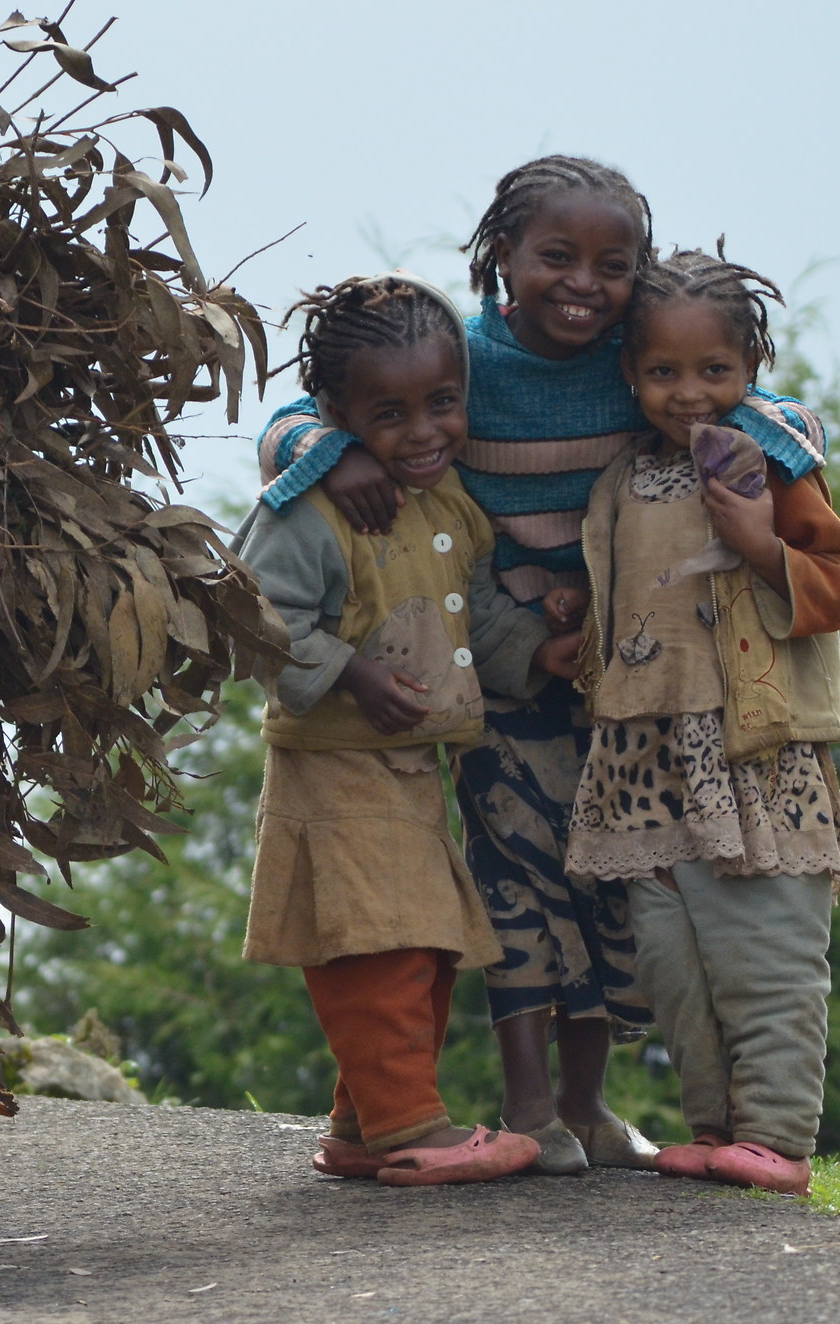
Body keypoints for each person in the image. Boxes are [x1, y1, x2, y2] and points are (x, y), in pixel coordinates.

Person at [256, 156, 827, 1174]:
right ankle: (529, 1110)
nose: (583, 283)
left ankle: (591, 1106)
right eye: (555, 256)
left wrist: (786, 443)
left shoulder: (634, 357)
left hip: (627, 684)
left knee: (618, 894)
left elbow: (751, 398)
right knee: (514, 886)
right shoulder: (468, 365)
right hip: (506, 670)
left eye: (615, 263)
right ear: (499, 257)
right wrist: (322, 449)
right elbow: (329, 405)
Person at [564, 248, 840, 1197]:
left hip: (753, 754)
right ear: (630, 372)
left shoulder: (772, 463)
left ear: (750, 368)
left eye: (714, 371)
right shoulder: (624, 475)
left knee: (765, 944)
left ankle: (777, 1134)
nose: (689, 393)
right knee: (675, 957)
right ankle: (713, 1126)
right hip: (643, 755)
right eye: (663, 371)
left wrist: (759, 543)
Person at [235, 272, 538, 1188]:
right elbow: (250, 617)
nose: (423, 432)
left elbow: (478, 619)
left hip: (410, 772)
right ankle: (414, 1125)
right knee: (380, 943)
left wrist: (544, 651)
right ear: (334, 413)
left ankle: (364, 1125)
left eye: (442, 404)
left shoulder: (450, 508)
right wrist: (351, 673)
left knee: (424, 942)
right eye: (390, 413)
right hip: (334, 773)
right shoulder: (310, 511)